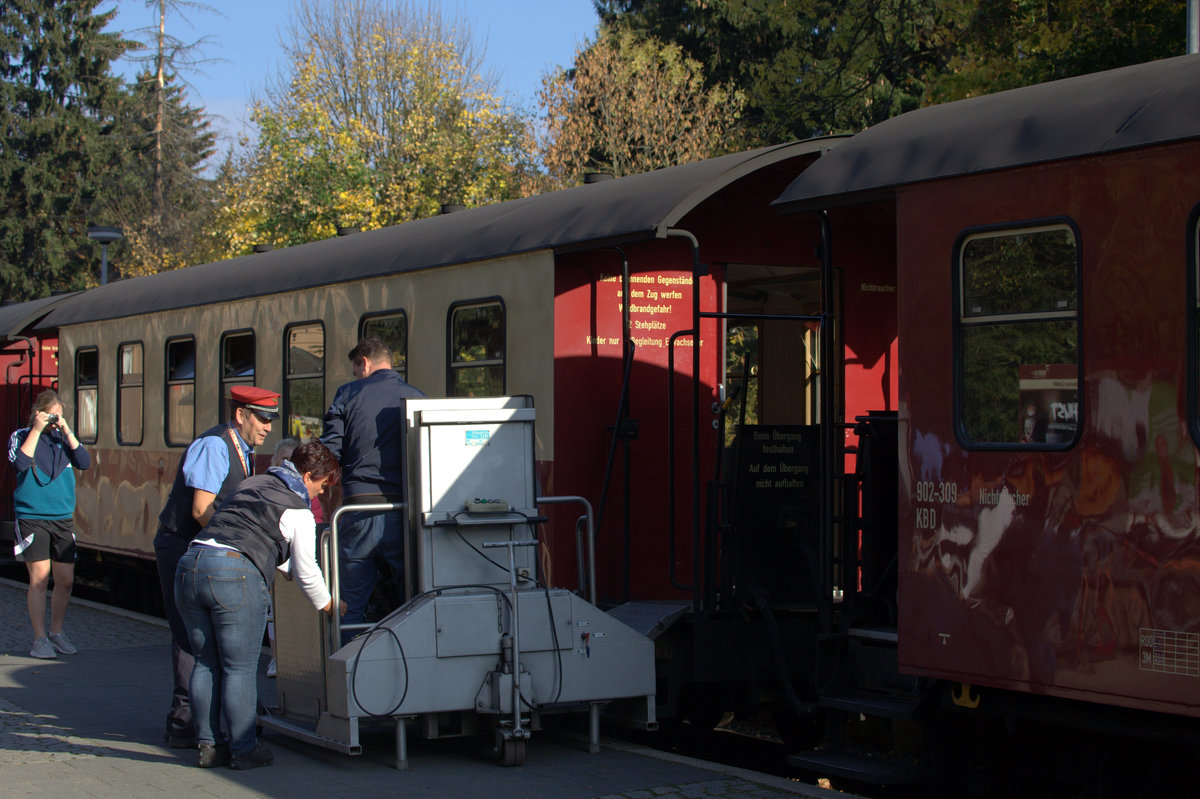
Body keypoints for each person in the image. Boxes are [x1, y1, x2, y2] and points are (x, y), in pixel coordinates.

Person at [175, 439, 345, 770]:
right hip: (234, 575)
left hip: (191, 563)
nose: (320, 493)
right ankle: (243, 749)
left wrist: (282, 567)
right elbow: (307, 570)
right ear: (307, 476)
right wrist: (329, 605)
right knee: (238, 668)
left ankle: (209, 745)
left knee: (205, 663)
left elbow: (249, 531)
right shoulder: (298, 509)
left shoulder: (252, 483)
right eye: (322, 485)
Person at [153, 385, 279, 749]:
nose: (268, 427)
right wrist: (234, 542)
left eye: (271, 419)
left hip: (202, 547)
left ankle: (216, 720)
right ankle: (183, 723)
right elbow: (200, 509)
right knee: (190, 637)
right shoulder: (215, 446)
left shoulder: (241, 448)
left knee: (210, 639)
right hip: (182, 545)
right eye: (263, 419)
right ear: (241, 415)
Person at [319, 337, 424, 636]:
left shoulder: (348, 394)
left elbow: (330, 452)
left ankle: (347, 662)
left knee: (350, 606)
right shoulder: (418, 398)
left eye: (356, 370)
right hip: (404, 513)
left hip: (359, 511)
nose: (356, 377)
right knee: (411, 600)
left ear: (363, 363)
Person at [7, 390, 90, 659]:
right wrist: (36, 429)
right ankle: (39, 639)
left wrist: (67, 431)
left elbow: (84, 462)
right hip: (32, 518)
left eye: (59, 416)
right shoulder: (21, 436)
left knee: (65, 580)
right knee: (39, 579)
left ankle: (56, 632)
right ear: (37, 413)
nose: (55, 421)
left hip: (62, 518)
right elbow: (20, 464)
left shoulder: (63, 440)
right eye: (52, 416)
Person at [265, 438, 325, 677]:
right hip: (279, 560)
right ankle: (275, 658)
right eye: (284, 459)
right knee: (273, 613)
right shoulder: (283, 494)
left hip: (287, 557)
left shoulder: (308, 497)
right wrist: (329, 605)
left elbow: (317, 521)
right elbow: (307, 572)